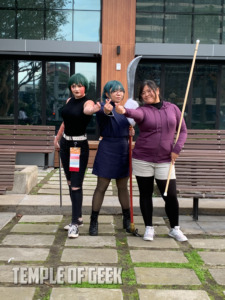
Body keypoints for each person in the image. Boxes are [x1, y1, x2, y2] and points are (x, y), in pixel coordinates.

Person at [115, 79, 188, 242]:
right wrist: (124, 110)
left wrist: (177, 150)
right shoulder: (143, 110)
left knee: (170, 195)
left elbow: (183, 131)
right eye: (143, 92)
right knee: (145, 194)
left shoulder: (173, 108)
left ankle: (175, 228)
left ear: (158, 90)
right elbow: (135, 114)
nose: (146, 94)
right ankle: (149, 227)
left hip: (165, 160)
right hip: (143, 159)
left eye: (149, 90)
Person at [54, 73, 100, 239]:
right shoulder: (68, 101)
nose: (76, 89)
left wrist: (95, 109)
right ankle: (78, 218)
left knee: (75, 184)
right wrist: (57, 138)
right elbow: (65, 122)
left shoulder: (87, 102)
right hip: (66, 145)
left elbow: (88, 110)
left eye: (79, 86)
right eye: (73, 86)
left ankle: (74, 224)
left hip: (78, 147)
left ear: (84, 87)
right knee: (69, 182)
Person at [89, 80, 136, 236]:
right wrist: (107, 111)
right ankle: (93, 222)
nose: (118, 93)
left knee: (123, 187)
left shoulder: (125, 109)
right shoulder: (103, 107)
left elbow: (129, 124)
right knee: (101, 187)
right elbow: (103, 116)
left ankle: (127, 220)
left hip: (123, 148)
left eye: (121, 91)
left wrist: (130, 131)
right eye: (114, 90)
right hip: (107, 148)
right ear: (107, 94)